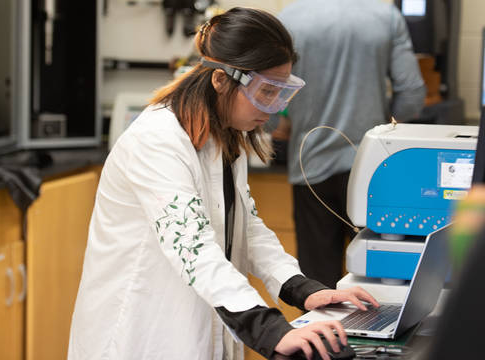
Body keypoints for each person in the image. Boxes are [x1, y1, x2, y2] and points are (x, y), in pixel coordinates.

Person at [67, 7, 379, 360]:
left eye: (283, 92)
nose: (275, 107)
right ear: (220, 80)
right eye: (266, 92)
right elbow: (193, 247)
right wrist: (271, 330)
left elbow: (249, 229)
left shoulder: (225, 135)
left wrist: (301, 289)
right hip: (140, 334)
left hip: (196, 328)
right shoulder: (157, 140)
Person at [276, 0, 427, 288]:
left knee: (317, 286)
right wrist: (383, 127)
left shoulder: (289, 18)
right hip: (373, 168)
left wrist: (280, 124)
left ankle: (319, 333)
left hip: (311, 167)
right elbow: (412, 93)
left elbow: (269, 90)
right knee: (377, 279)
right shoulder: (386, 16)